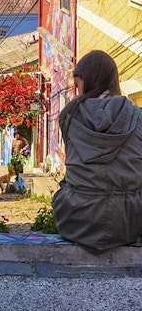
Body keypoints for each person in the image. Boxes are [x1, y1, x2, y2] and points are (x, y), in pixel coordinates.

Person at [52, 50, 142, 254]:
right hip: (129, 222)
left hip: (76, 219)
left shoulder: (69, 114)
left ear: (87, 80)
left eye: (77, 85)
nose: (77, 92)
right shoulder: (137, 116)